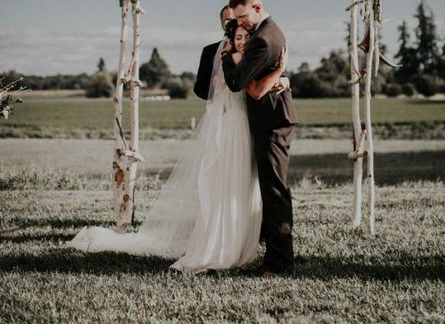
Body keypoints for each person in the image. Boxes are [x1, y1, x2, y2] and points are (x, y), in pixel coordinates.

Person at [67, 20, 288, 273]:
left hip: (244, 126)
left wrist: (284, 78)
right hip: (230, 123)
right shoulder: (230, 57)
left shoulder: (250, 56)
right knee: (224, 182)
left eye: (246, 36)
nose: (242, 41)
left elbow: (261, 83)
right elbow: (242, 87)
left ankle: (236, 243)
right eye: (237, 36)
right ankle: (221, 245)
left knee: (239, 185)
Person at [221, 0, 297, 277]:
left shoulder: (264, 39)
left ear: (256, 7)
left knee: (275, 191)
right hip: (269, 118)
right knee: (269, 189)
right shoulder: (265, 31)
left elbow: (238, 82)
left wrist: (228, 56)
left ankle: (280, 264)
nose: (239, 23)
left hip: (272, 120)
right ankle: (272, 256)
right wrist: (281, 74)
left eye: (242, 16)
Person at [193, 5, 233, 100]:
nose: (232, 25)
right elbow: (200, 89)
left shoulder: (253, 48)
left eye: (236, 20)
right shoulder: (209, 51)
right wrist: (215, 85)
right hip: (219, 111)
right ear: (222, 24)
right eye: (228, 21)